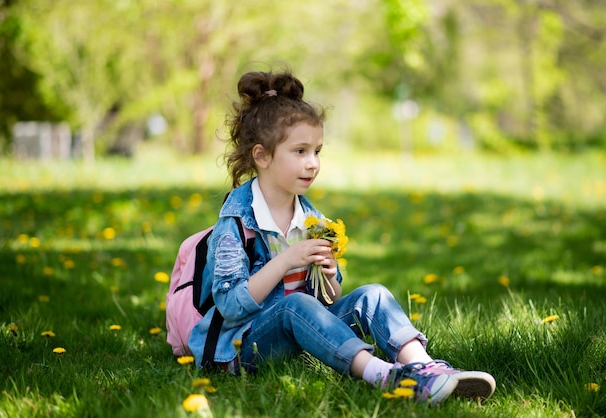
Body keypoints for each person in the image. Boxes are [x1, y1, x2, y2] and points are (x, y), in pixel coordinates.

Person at [188, 67, 496, 406]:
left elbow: (329, 299)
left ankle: (424, 368)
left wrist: (330, 272)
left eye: (317, 151)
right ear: (261, 156)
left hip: (300, 330)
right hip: (244, 346)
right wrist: (286, 261)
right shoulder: (236, 224)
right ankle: (386, 376)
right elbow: (230, 306)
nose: (313, 163)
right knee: (294, 306)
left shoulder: (311, 219)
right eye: (300, 151)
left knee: (374, 295)